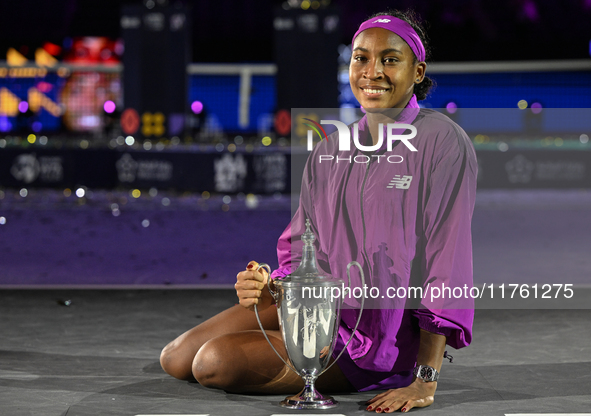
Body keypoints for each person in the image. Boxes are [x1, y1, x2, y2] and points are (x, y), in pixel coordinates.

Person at [160, 9, 477, 413]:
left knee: (214, 362)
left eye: (390, 59)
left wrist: (424, 380)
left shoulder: (443, 143)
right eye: (361, 58)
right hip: (317, 306)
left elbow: (447, 264)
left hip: (376, 341)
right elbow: (299, 247)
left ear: (417, 72)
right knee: (175, 358)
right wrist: (271, 285)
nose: (372, 71)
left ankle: (382, 369)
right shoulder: (331, 148)